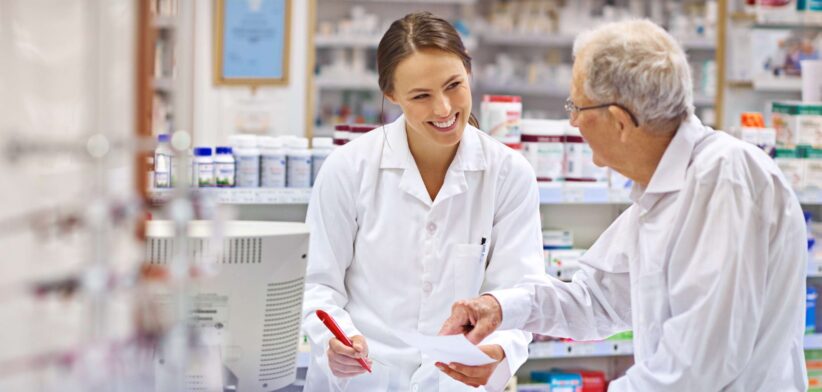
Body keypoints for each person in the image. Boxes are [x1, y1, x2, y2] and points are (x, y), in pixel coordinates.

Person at [439, 19, 808, 390]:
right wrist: (502, 308)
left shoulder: (724, 182)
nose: (573, 122)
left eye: (577, 107)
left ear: (618, 121)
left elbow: (694, 370)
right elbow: (595, 300)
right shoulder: (664, 190)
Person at [300, 11, 545, 391]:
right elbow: (316, 284)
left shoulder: (509, 174)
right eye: (421, 96)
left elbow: (519, 292)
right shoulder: (348, 169)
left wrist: (500, 350)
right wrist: (334, 341)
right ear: (391, 95)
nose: (444, 109)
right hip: (365, 379)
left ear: (470, 73)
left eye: (454, 86)